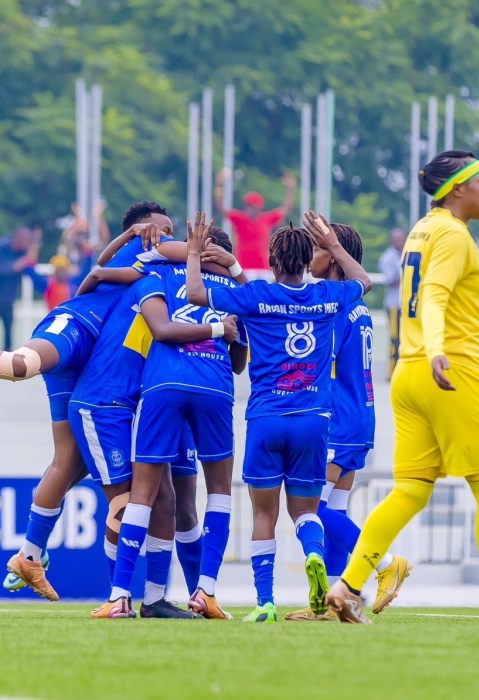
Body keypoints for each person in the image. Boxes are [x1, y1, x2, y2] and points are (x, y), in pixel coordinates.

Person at [0, 201, 178, 601]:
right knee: (19, 365)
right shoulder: (150, 246)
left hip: (95, 357)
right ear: (144, 228)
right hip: (79, 326)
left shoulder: (142, 254)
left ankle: (29, 555)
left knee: (68, 463)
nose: (167, 234)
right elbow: (115, 266)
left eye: (169, 229)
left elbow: (99, 266)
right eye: (160, 227)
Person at [325, 150, 479, 627]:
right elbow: (435, 295)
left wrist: (425, 352)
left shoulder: (421, 228)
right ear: (457, 190)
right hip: (450, 372)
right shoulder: (453, 234)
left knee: (410, 488)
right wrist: (438, 350)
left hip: (408, 376)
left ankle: (347, 587)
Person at [186, 213, 371, 623]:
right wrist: (336, 245)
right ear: (309, 259)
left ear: (272, 260)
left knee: (264, 515)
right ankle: (315, 559)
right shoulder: (328, 295)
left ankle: (266, 602)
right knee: (305, 511)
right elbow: (365, 282)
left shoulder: (255, 296)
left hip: (267, 417)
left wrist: (196, 252)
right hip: (313, 419)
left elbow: (195, 292)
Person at [93, 218, 250, 620]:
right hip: (214, 389)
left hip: (163, 388)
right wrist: (221, 327)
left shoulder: (156, 273)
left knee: (143, 495)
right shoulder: (234, 291)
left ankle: (118, 597)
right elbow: (238, 363)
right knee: (218, 492)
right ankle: (206, 591)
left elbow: (157, 328)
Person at [286, 221, 411, 622]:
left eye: (318, 251)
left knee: (309, 508)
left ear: (337, 259)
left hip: (339, 419)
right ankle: (338, 598)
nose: (310, 259)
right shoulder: (355, 306)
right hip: (359, 416)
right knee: (333, 508)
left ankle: (387, 562)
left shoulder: (336, 305)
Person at [214, 167, 296, 272]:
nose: (247, 208)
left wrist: (291, 189)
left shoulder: (266, 219)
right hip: (242, 269)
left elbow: (286, 208)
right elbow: (220, 206)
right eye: (247, 205)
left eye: (251, 205)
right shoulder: (239, 219)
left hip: (263, 269)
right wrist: (219, 185)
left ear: (259, 207)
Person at [0, 227, 39, 350]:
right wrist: (21, 263)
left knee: (8, 333)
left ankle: (6, 362)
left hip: (9, 298)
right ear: (18, 239)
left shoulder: (22, 252)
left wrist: (34, 247)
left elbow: (30, 266)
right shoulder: (1, 247)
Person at [379, 228, 405, 378]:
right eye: (397, 239)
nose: (400, 242)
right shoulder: (387, 258)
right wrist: (406, 275)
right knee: (395, 339)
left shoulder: (407, 253)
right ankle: (392, 371)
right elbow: (390, 281)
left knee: (404, 340)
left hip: (405, 305)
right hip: (394, 305)